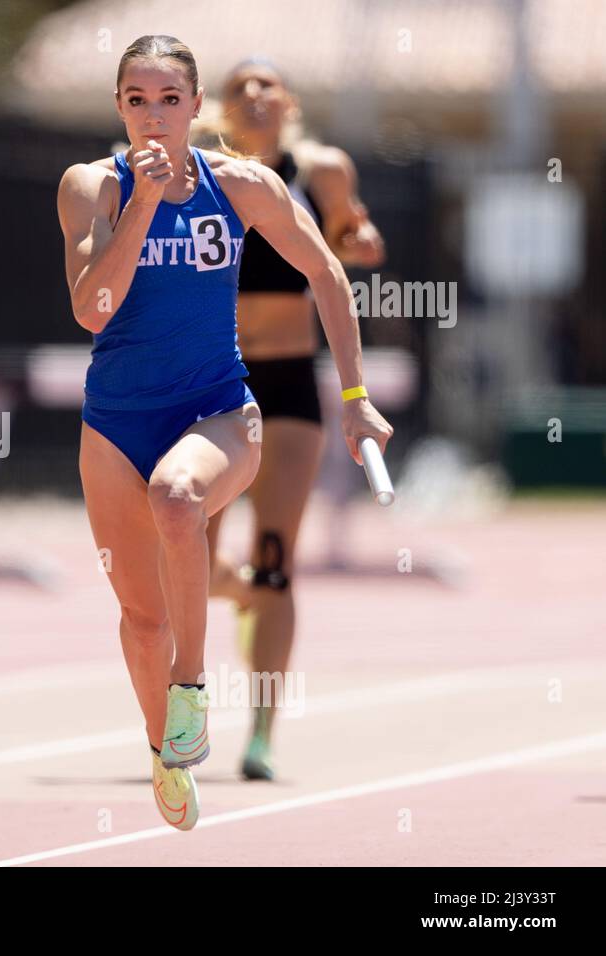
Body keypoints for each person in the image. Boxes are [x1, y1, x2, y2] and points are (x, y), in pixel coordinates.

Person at [55, 37, 392, 829]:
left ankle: (192, 688)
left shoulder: (239, 185)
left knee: (180, 500)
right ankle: (163, 750)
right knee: (141, 619)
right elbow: (91, 309)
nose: (154, 115)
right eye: (137, 100)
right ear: (119, 109)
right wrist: (142, 202)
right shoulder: (91, 188)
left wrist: (354, 394)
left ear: (195, 108)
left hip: (221, 409)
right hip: (114, 420)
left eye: (170, 99)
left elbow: (327, 272)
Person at [206, 58, 386, 781]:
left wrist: (360, 241)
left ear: (290, 102)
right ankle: (244, 590)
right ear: (218, 110)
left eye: (267, 86)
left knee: (278, 554)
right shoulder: (202, 177)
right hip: (213, 382)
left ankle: (260, 733)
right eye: (239, 89)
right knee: (181, 554)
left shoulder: (324, 172)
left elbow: (347, 239)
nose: (254, 97)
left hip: (287, 383)